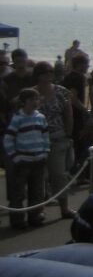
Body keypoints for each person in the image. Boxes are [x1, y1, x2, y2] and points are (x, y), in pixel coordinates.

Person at [32, 61, 76, 219]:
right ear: (38, 75)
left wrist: (69, 134)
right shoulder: (32, 93)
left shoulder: (61, 91)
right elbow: (18, 104)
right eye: (46, 72)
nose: (49, 75)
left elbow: (68, 113)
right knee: (39, 176)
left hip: (58, 137)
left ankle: (64, 208)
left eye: (51, 72)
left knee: (58, 174)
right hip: (36, 140)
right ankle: (39, 209)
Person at [4, 88, 49, 229]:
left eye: (36, 99)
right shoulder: (18, 118)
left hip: (38, 159)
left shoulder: (41, 117)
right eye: (31, 100)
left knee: (37, 191)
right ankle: (17, 220)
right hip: (22, 161)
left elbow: (45, 136)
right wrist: (15, 156)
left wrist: (45, 151)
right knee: (19, 192)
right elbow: (8, 139)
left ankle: (35, 216)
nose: (35, 102)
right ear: (23, 102)